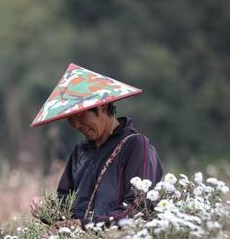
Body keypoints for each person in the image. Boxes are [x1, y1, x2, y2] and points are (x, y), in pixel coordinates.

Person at [30, 63, 163, 227]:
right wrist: (45, 209)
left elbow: (138, 208)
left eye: (80, 116)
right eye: (70, 119)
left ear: (102, 106)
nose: (77, 125)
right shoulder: (80, 151)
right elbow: (65, 207)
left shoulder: (135, 146)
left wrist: (84, 225)